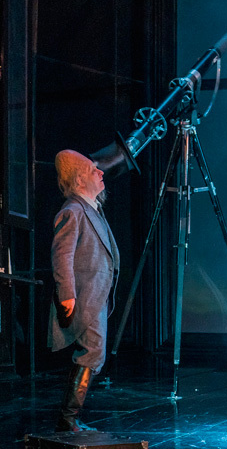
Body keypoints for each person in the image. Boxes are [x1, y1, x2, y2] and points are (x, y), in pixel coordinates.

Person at [50, 150, 119, 432]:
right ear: (79, 180)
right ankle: (68, 419)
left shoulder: (92, 209)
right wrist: (66, 292)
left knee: (95, 353)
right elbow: (61, 254)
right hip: (85, 296)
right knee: (91, 352)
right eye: (93, 170)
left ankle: (70, 418)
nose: (101, 172)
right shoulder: (73, 211)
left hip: (97, 295)